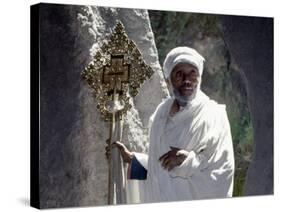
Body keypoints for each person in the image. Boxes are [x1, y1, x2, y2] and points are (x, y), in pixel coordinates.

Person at [106, 46, 235, 203]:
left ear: (199, 77)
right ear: (169, 80)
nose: (187, 80)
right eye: (179, 74)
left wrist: (188, 161)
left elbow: (223, 170)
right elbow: (160, 168)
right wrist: (135, 161)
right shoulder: (161, 114)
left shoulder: (214, 114)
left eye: (192, 73)